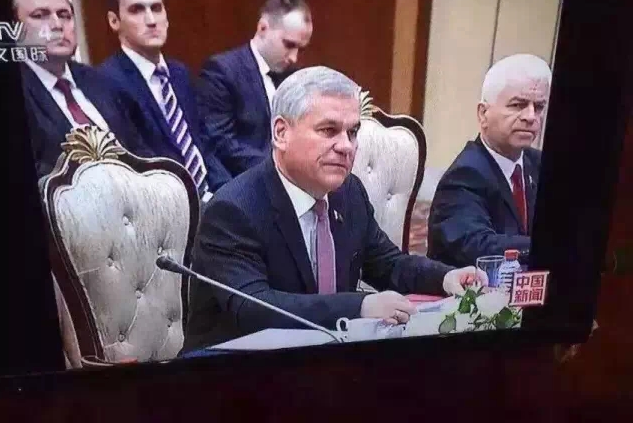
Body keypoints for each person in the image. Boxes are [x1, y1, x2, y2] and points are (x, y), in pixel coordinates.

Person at [182, 66, 486, 351]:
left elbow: (387, 264)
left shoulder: (348, 192)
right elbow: (254, 308)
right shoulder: (234, 210)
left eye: (352, 132)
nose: (346, 146)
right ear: (281, 133)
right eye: (329, 130)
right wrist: (359, 307)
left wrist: (444, 277)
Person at [98, 0, 231, 198]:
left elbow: (203, 144)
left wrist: (226, 192)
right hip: (168, 202)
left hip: (210, 196)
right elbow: (139, 163)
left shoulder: (179, 72)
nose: (151, 20)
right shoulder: (107, 82)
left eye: (156, 8)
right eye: (137, 10)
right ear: (114, 21)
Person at [427, 53, 552, 268]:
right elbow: (479, 246)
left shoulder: (538, 163)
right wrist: (554, 246)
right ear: (483, 114)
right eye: (518, 105)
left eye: (539, 107)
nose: (531, 117)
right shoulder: (464, 175)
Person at [14, 0, 149, 179]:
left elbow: (140, 151)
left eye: (65, 15)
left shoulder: (101, 81)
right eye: (40, 15)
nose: (57, 25)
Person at [195, 0, 313, 178]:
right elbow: (220, 141)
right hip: (242, 181)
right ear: (263, 28)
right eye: (289, 45)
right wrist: (279, 168)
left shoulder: (294, 76)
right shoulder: (222, 70)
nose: (293, 58)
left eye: (300, 49)